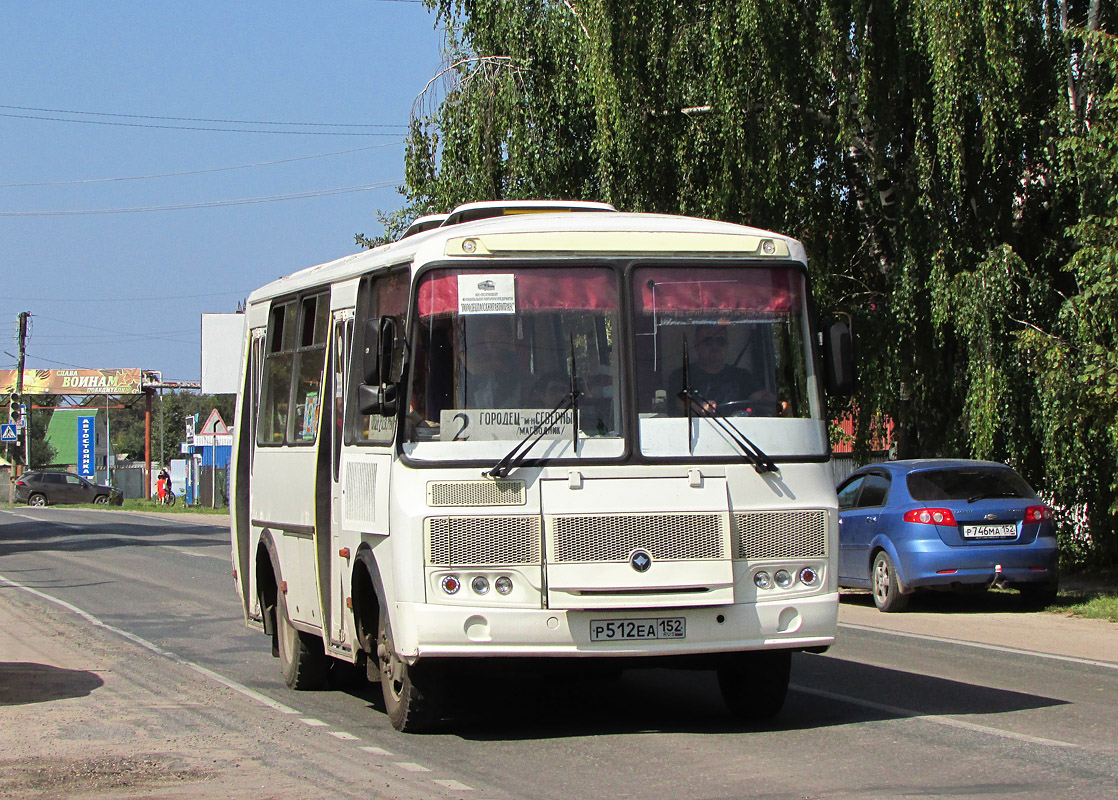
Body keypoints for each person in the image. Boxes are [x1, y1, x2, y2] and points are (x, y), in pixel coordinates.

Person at [668, 324, 769, 416]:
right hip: (694, 434)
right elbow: (680, 402)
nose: (715, 346)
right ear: (696, 345)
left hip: (736, 434)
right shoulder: (682, 376)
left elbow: (760, 398)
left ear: (727, 344)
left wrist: (774, 402)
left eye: (720, 341)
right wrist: (700, 407)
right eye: (708, 341)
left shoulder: (742, 377)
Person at [461, 315, 524, 408]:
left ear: (506, 338)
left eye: (497, 336)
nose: (492, 340)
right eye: (489, 335)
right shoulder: (483, 359)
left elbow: (474, 369)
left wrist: (459, 351)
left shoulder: (510, 359)